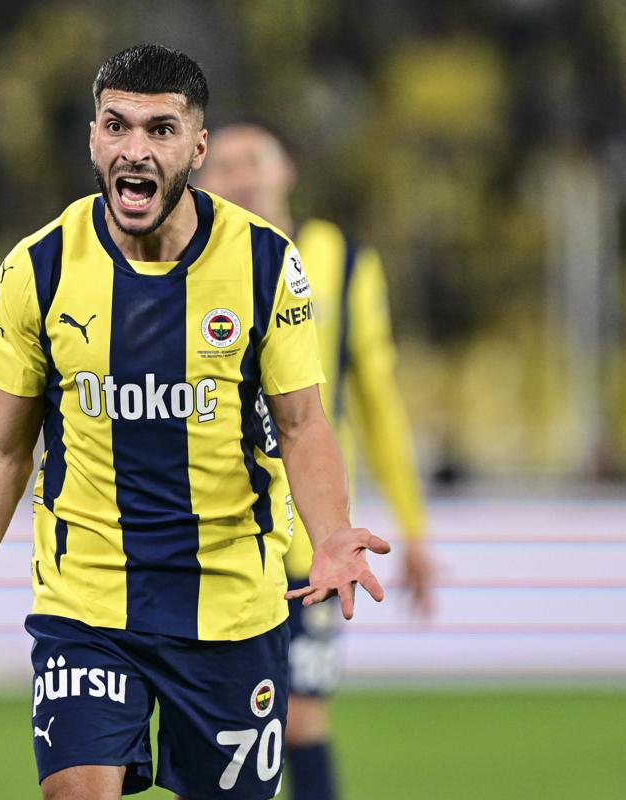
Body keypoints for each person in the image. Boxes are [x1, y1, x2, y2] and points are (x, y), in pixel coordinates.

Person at [0, 45, 391, 800]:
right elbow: (1, 452)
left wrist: (330, 533)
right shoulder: (36, 268)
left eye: (161, 129)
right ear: (93, 139)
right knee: (75, 789)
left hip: (231, 609)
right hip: (88, 605)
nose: (136, 148)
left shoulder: (267, 263)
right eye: (117, 125)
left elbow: (301, 426)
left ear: (197, 148)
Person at [197, 121, 435, 800]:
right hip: (216, 534)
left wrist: (414, 525)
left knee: (298, 716)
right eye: (225, 165)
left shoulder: (344, 261)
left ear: (286, 172)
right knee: (221, 729)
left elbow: (378, 399)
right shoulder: (185, 264)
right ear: (201, 180)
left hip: (308, 540)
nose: (242, 176)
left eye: (255, 160)